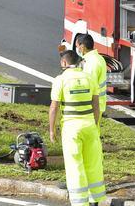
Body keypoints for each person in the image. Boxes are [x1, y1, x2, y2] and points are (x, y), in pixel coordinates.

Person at [49, 50, 105, 206]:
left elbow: (54, 108)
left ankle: (80, 203)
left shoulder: (60, 80)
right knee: (93, 163)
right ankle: (96, 200)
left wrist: (52, 130)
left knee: (75, 165)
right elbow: (96, 106)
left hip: (71, 128)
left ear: (64, 63)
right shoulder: (89, 78)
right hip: (90, 126)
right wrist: (94, 123)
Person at [76, 35, 107, 116]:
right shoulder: (98, 58)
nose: (77, 49)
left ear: (82, 47)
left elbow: (89, 86)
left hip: (92, 106)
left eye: (77, 46)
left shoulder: (91, 63)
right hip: (98, 104)